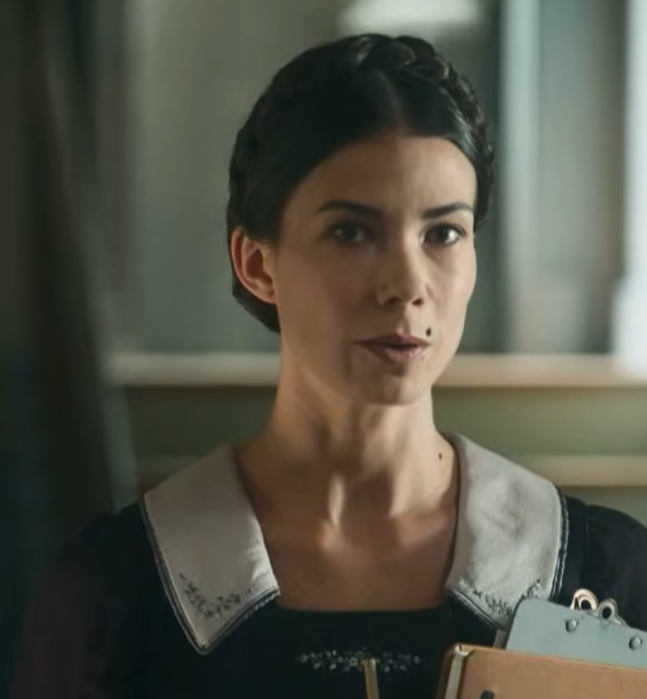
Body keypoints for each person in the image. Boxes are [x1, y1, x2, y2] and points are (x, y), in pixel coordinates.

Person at [12, 33, 647, 699]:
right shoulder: (119, 593)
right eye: (351, 232)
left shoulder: (602, 576)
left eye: (443, 233)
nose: (406, 285)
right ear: (256, 264)